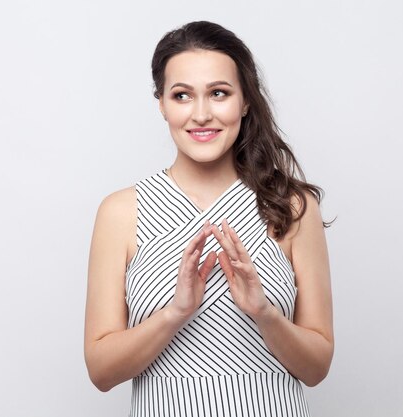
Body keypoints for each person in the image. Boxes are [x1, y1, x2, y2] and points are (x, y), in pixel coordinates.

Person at [84, 21, 333, 417]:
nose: (201, 114)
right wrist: (174, 314)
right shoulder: (120, 212)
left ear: (245, 101)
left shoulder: (291, 206)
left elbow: (317, 367)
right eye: (182, 95)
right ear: (162, 103)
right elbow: (100, 371)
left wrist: (264, 314)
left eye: (219, 93)